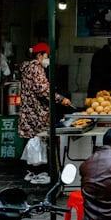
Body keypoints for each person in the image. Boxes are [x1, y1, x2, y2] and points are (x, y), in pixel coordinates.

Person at [18, 42, 71, 185]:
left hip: (28, 111)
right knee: (39, 141)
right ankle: (39, 173)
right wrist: (60, 98)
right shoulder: (36, 68)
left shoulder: (27, 68)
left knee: (32, 141)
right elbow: (43, 89)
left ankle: (30, 171)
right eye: (47, 56)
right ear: (39, 56)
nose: (48, 59)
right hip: (36, 112)